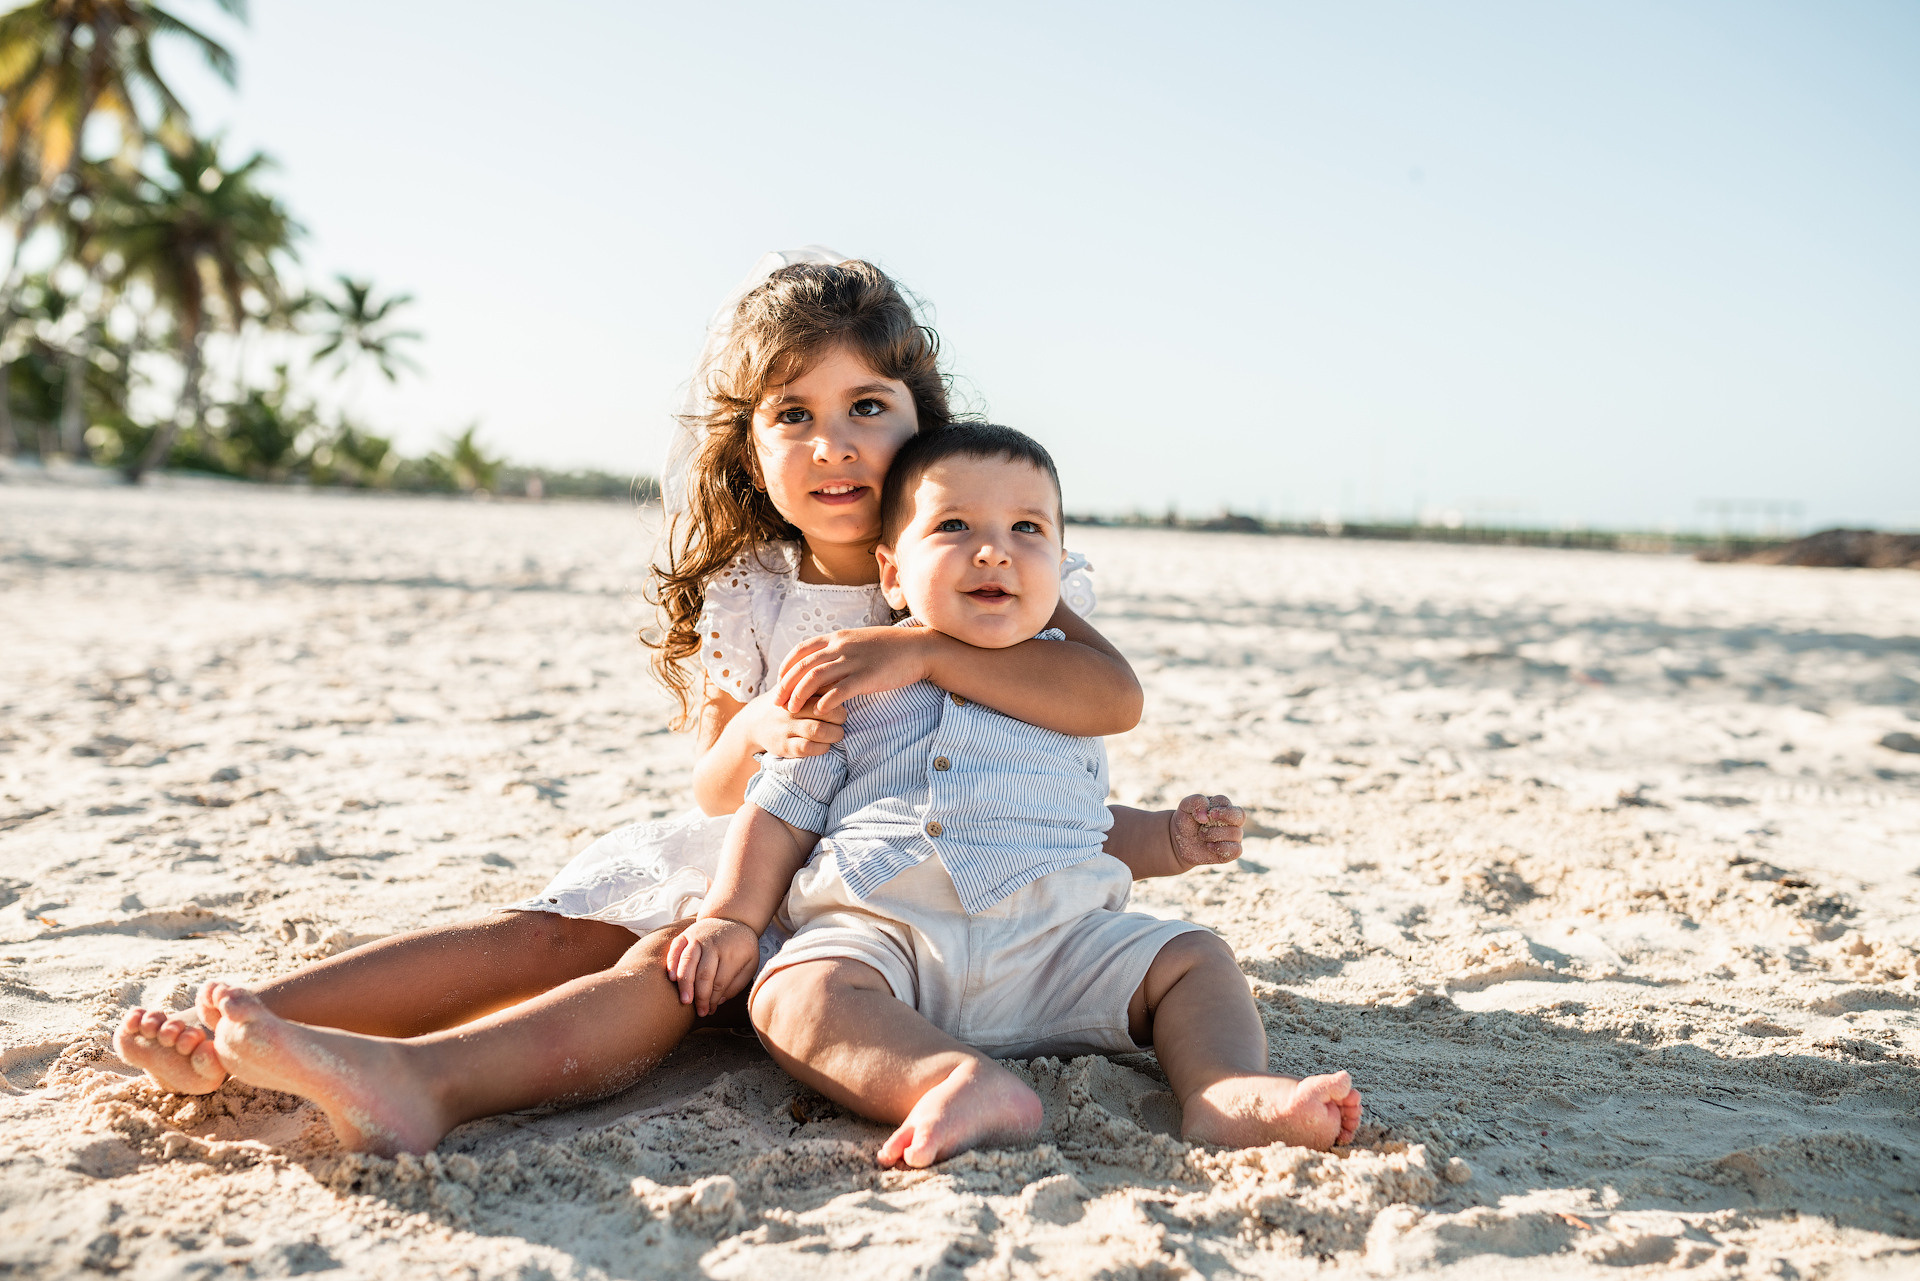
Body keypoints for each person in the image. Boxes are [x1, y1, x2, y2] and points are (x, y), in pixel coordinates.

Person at [112, 253, 1246, 1156]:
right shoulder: (754, 588)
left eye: (866, 405)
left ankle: (430, 1081)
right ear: (750, 451)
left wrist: (917, 652)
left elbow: (1099, 692)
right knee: (547, 934)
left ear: (922, 418)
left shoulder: (990, 561)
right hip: (760, 845)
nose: (834, 444)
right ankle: (242, 1024)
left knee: (658, 973)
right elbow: (713, 785)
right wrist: (758, 728)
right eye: (792, 416)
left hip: (881, 884)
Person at [668, 425, 1363, 1169]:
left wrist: (1169, 837)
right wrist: (731, 917)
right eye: (954, 526)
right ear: (892, 573)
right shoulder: (857, 678)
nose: (993, 551)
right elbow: (779, 812)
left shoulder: (1064, 687)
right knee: (793, 995)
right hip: (890, 940)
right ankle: (950, 1080)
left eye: (1026, 529)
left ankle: (1226, 1089)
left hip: (1057, 948)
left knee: (1196, 957)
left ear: (1059, 569)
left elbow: (1084, 827)